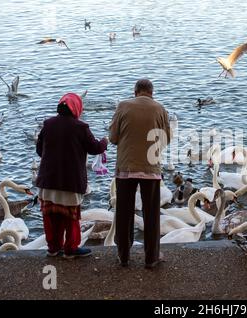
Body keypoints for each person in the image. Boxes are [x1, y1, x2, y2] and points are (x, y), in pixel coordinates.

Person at [36, 92, 108, 258]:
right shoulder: (80, 127)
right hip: (70, 181)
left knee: (51, 216)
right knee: (71, 217)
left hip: (48, 179)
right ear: (77, 108)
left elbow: (40, 150)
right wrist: (105, 141)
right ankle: (71, 249)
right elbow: (95, 148)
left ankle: (53, 248)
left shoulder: (48, 124)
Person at [109, 79, 171, 268]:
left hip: (126, 169)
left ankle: (123, 256)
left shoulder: (123, 106)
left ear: (135, 91)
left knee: (124, 212)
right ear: (152, 92)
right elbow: (166, 140)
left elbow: (113, 138)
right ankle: (151, 257)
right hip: (150, 169)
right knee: (151, 214)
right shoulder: (160, 109)